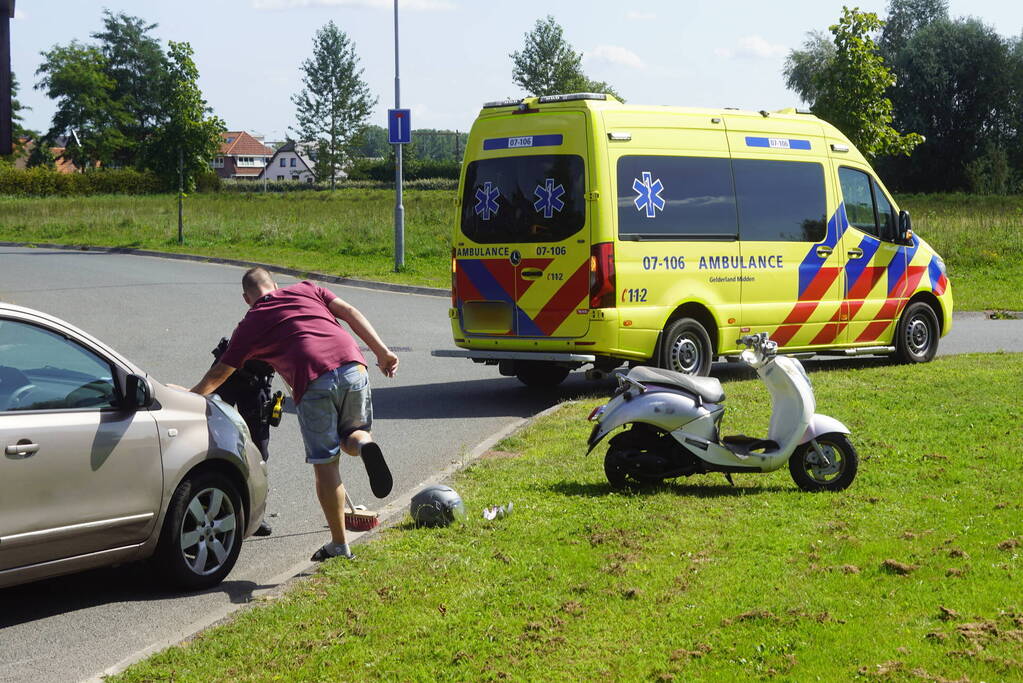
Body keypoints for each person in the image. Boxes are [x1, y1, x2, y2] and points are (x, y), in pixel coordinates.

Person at [188, 267, 399, 562]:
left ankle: (339, 545)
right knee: (352, 435)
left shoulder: (252, 321)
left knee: (325, 463)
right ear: (275, 284)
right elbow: (349, 312)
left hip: (314, 379)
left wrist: (191, 396)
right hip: (353, 365)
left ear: (247, 298)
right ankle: (365, 445)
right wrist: (383, 352)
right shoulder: (307, 288)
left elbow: (222, 371)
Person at [209, 336, 280, 536]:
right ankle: (213, 509)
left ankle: (255, 515)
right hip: (228, 369)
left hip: (259, 379)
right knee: (212, 438)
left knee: (259, 450)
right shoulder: (263, 312)